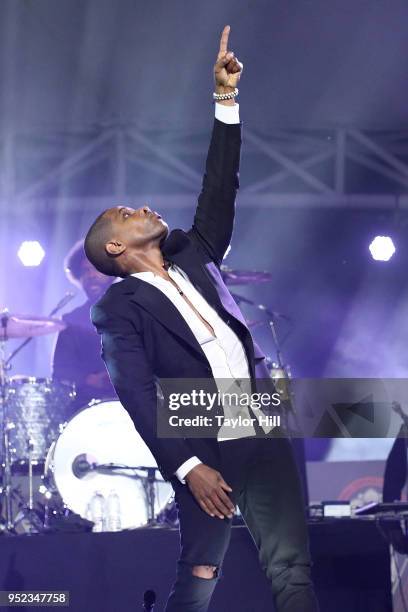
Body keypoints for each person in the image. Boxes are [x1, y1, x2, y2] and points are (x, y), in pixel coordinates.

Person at [84, 26, 319, 612]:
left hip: (259, 417)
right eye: (126, 212)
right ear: (115, 247)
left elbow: (220, 189)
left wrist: (225, 100)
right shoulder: (117, 308)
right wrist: (189, 466)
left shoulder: (193, 251)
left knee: (291, 567)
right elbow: (137, 391)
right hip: (201, 439)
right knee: (201, 573)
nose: (141, 207)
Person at [52, 239, 114, 412]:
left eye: (96, 269)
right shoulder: (71, 320)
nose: (91, 275)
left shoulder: (136, 312)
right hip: (85, 409)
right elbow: (60, 372)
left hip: (133, 406)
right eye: (85, 271)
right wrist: (88, 379)